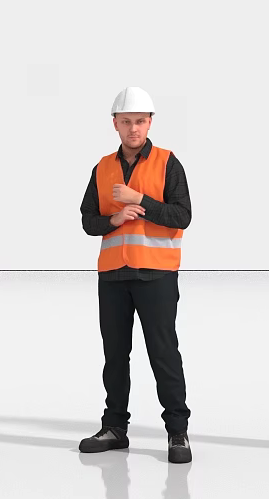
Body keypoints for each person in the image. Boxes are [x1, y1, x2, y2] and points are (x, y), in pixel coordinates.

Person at [78, 87, 194, 464]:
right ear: (115, 124)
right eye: (126, 122)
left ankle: (177, 432)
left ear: (150, 123)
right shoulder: (102, 167)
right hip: (113, 275)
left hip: (157, 274)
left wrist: (138, 200)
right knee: (115, 355)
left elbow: (182, 216)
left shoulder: (167, 162)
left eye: (139, 122)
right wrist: (112, 219)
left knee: (163, 353)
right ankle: (115, 427)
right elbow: (87, 220)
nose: (133, 129)